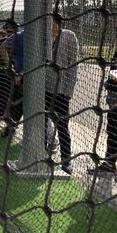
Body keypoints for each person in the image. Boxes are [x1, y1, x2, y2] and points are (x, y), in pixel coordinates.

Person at [45, 19, 79, 174]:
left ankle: (66, 160)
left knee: (62, 126)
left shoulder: (69, 36)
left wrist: (68, 91)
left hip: (60, 91)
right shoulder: (43, 37)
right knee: (42, 123)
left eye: (53, 22)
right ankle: (42, 154)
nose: (51, 25)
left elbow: (73, 65)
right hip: (44, 89)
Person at [88, 45, 117, 178]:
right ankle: (109, 164)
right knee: (112, 131)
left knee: (114, 131)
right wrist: (110, 82)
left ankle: (110, 163)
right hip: (114, 98)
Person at [0, 19, 24, 137]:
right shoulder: (20, 36)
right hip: (19, 76)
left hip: (33, 75)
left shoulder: (43, 38)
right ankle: (10, 127)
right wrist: (11, 67)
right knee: (16, 103)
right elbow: (2, 47)